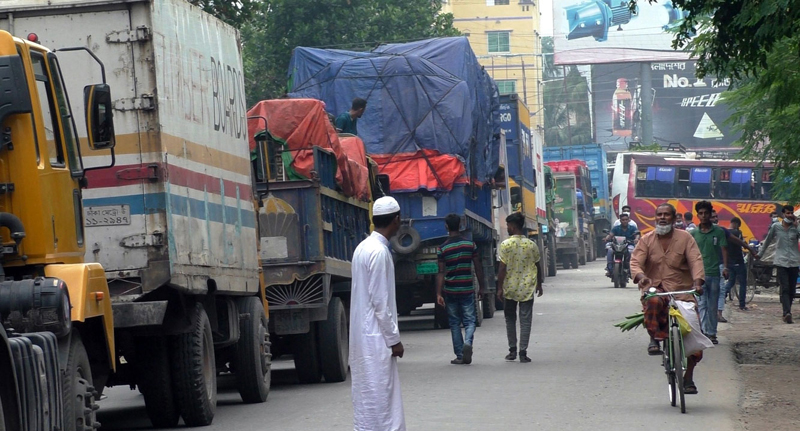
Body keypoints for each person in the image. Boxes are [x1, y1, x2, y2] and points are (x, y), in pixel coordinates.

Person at [631, 203, 706, 394]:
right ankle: (654, 338)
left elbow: (696, 261)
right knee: (653, 302)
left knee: (693, 332)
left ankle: (688, 377)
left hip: (682, 292)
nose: (662, 218)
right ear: (655, 217)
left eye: (666, 215)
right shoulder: (646, 240)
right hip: (657, 289)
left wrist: (698, 282)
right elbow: (635, 262)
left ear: (674, 218)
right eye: (659, 215)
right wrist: (641, 277)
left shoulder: (686, 238)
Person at [350, 196, 405, 431]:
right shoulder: (380, 253)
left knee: (367, 396)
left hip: (363, 337)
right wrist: (394, 340)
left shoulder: (363, 248)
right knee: (382, 397)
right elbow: (380, 303)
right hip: (377, 338)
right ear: (396, 220)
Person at [436, 214, 486, 365]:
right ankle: (468, 342)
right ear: (461, 225)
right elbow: (478, 267)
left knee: (454, 322)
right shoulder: (470, 245)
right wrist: (482, 287)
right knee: (470, 320)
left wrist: (438, 293)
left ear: (446, 226)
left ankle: (459, 355)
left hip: (450, 291)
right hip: (467, 289)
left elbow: (441, 272)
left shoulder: (442, 248)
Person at [496, 212, 543, 363]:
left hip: (510, 287)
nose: (508, 228)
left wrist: (499, 288)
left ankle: (512, 351)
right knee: (525, 320)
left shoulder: (505, 245)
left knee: (510, 319)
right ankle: (523, 352)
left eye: (508, 225)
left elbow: (502, 269)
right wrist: (539, 284)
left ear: (513, 226)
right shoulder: (531, 245)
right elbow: (537, 265)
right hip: (527, 288)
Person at [691, 201, 729, 344]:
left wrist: (725, 267)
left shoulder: (719, 231)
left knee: (712, 305)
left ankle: (712, 333)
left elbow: (724, 249)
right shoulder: (693, 233)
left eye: (706, 213)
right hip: (698, 275)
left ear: (710, 214)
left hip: (714, 273)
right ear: (697, 215)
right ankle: (703, 332)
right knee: (701, 304)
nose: (704, 215)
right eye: (701, 213)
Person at [757, 205, 800, 323]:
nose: (789, 215)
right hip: (781, 262)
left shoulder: (796, 228)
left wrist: (797, 226)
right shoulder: (776, 227)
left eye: (791, 213)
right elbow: (767, 241)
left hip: (794, 262)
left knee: (791, 289)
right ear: (783, 214)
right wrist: (759, 255)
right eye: (787, 213)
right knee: (785, 287)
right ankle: (787, 312)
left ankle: (787, 310)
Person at [721, 217, 750, 311]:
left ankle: (723, 295)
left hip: (729, 262)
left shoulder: (725, 233)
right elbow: (741, 243)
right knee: (742, 283)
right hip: (738, 261)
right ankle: (742, 304)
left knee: (731, 281)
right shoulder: (737, 233)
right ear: (737, 224)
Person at [604, 212, 640, 277]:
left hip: (629, 245)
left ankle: (630, 269)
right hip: (617, 245)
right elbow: (611, 235)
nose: (625, 221)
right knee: (610, 251)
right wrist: (607, 238)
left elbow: (637, 234)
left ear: (628, 220)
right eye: (623, 220)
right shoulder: (616, 228)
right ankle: (610, 269)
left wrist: (636, 239)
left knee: (631, 251)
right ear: (620, 220)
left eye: (626, 220)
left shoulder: (633, 228)